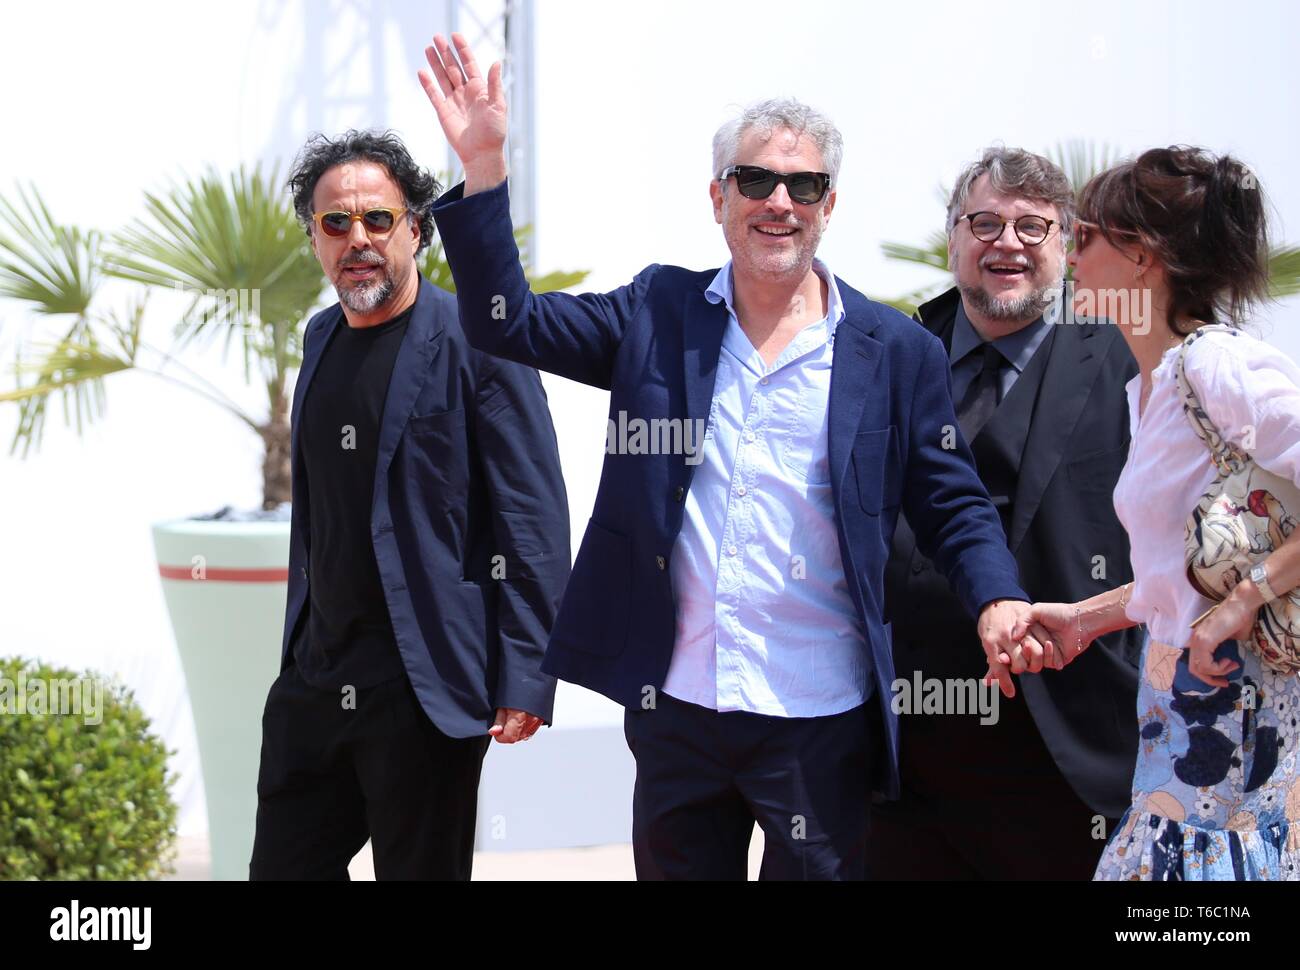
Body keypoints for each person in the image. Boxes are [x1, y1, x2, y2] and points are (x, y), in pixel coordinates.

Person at [417, 33, 1041, 881]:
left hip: (819, 718)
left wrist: (998, 597)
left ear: (829, 205)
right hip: (678, 711)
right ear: (719, 197)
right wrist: (486, 167)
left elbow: (951, 503)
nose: (778, 201)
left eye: (803, 185)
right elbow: (505, 320)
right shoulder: (657, 313)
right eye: (756, 180)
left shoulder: (894, 350)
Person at [249, 129, 571, 880]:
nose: (357, 239)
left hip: (423, 684)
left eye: (377, 219)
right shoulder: (321, 336)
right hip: (316, 678)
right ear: (315, 239)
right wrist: (300, 655)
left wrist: (527, 673)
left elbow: (532, 517)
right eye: (336, 223)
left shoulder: (478, 342)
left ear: (416, 229)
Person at [1011, 146, 1300, 880]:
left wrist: (1246, 600)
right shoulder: (1152, 386)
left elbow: (1217, 594)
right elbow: (1173, 578)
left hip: (1237, 712)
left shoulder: (1217, 365)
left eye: (1084, 236)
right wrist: (1087, 618)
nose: (1070, 256)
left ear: (1143, 257)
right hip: (1175, 711)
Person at [870, 148, 1142, 880]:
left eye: (1033, 227)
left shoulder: (1126, 362)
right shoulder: (886, 355)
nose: (1007, 243)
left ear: (1067, 244)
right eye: (985, 223)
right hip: (893, 751)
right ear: (953, 238)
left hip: (1060, 747)